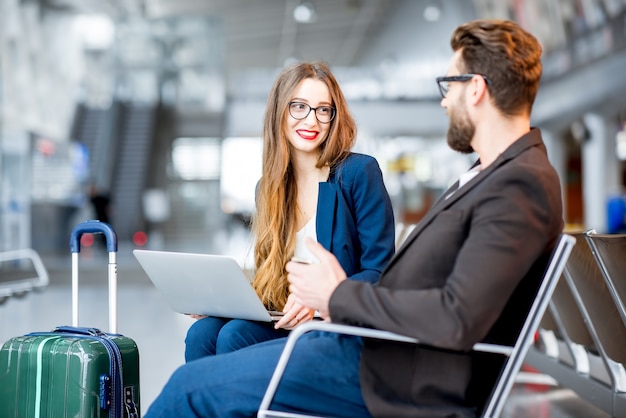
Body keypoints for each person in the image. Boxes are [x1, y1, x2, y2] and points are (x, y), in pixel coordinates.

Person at [145, 19, 564, 417]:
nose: (442, 99)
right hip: (370, 349)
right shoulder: (489, 175)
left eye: (447, 85)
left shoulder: (517, 184)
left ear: (475, 89)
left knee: (189, 387)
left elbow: (457, 317)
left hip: (388, 371)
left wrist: (335, 296)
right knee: (213, 346)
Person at [183, 61, 396, 362]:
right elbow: (271, 279)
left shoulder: (358, 173)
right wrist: (223, 301)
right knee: (202, 333)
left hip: (334, 325)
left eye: (324, 109)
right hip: (285, 321)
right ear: (280, 112)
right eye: (299, 107)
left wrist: (322, 297)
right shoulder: (267, 188)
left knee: (235, 335)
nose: (312, 120)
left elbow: (382, 273)